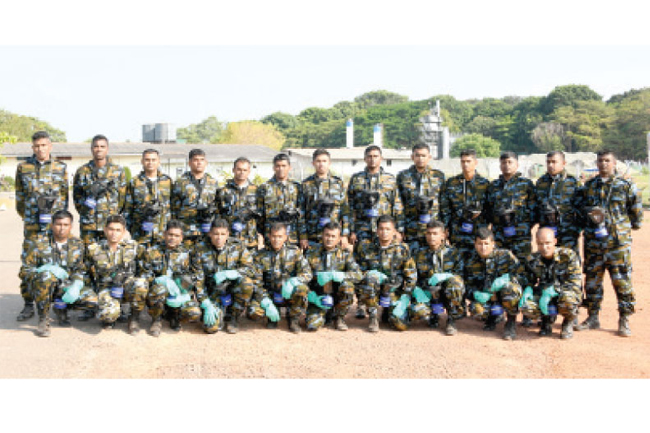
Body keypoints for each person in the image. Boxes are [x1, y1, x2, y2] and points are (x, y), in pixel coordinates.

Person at [575, 150, 643, 337]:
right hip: (594, 244)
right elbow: (580, 211)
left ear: (614, 164)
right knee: (592, 282)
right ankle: (593, 316)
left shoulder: (626, 186)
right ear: (596, 164)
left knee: (622, 282)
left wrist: (621, 227)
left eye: (607, 161)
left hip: (617, 245)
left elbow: (636, 215)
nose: (603, 164)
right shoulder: (588, 187)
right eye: (600, 161)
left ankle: (624, 319)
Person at [15, 131, 69, 321]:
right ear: (32, 148)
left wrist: (60, 223)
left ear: (50, 146)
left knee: (57, 263)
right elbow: (20, 198)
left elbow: (64, 198)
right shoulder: (23, 167)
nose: (40, 149)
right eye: (37, 146)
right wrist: (29, 217)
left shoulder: (60, 167)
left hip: (54, 228)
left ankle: (57, 303)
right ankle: (28, 304)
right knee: (28, 266)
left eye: (44, 145)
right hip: (32, 226)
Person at [19, 210, 97, 337]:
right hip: (43, 286)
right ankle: (43, 319)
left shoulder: (78, 244)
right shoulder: (39, 244)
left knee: (92, 300)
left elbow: (80, 269)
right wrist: (43, 269)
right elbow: (25, 271)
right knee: (46, 276)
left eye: (66, 225)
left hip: (66, 286)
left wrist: (76, 284)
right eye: (58, 224)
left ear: (71, 226)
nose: (62, 228)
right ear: (52, 225)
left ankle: (62, 308)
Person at [347, 145, 404, 319]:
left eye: (376, 156)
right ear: (365, 158)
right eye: (369, 156)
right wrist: (350, 230)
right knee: (362, 267)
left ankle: (387, 302)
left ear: (381, 158)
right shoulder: (356, 179)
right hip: (363, 230)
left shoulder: (390, 179)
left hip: (385, 232)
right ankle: (362, 304)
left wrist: (399, 230)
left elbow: (397, 205)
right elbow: (349, 207)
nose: (372, 159)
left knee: (388, 266)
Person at [192, 218, 256, 334]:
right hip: (213, 292)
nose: (219, 237)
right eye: (216, 234)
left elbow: (251, 269)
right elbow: (198, 280)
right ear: (210, 233)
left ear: (228, 234)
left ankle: (233, 317)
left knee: (246, 283)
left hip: (232, 289)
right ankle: (216, 311)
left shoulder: (238, 246)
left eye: (222, 234)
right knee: (210, 328)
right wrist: (206, 303)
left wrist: (234, 273)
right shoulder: (200, 249)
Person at [137, 220, 201, 336]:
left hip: (179, 294)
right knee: (159, 289)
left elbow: (196, 275)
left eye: (176, 236)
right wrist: (157, 279)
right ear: (164, 234)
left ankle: (175, 317)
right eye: (170, 234)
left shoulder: (187, 254)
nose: (172, 238)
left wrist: (186, 291)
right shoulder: (152, 252)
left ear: (181, 238)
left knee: (194, 312)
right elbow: (143, 274)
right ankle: (156, 320)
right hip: (158, 294)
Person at [354, 216, 417, 332]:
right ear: (377, 231)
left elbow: (411, 276)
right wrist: (368, 273)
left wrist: (405, 297)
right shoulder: (367, 248)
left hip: (393, 291)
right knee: (371, 278)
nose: (384, 232)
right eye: (381, 229)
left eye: (388, 229)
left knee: (401, 325)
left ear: (394, 231)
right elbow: (358, 272)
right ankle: (373, 316)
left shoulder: (402, 249)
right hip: (373, 290)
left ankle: (388, 311)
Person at [85, 215, 147, 330]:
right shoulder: (94, 249)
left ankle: (133, 318)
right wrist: (93, 291)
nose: (114, 233)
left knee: (141, 284)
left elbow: (145, 267)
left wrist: (137, 279)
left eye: (118, 230)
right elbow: (85, 271)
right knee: (108, 315)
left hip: (127, 286)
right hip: (107, 288)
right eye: (111, 229)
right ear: (105, 230)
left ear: (123, 232)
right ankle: (112, 313)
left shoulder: (133, 247)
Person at [249, 222, 312, 333]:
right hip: (269, 294)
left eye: (280, 237)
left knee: (302, 289)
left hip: (288, 294)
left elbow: (307, 273)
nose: (276, 240)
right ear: (269, 236)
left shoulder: (294, 252)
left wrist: (294, 281)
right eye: (273, 236)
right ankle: (272, 316)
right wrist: (266, 302)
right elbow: (255, 282)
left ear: (285, 237)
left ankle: (293, 318)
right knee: (254, 311)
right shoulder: (260, 255)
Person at [519, 228, 582, 339]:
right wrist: (528, 288)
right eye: (540, 244)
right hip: (544, 295)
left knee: (569, 299)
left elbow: (575, 283)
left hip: (564, 292)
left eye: (548, 243)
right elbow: (528, 279)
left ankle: (567, 322)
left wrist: (555, 290)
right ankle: (546, 321)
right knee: (526, 305)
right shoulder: (532, 259)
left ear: (555, 241)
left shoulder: (568, 256)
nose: (544, 247)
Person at [463, 227, 523, 341]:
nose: (483, 247)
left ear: (493, 244)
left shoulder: (505, 256)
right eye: (480, 244)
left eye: (486, 243)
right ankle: (492, 318)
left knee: (511, 289)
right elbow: (466, 285)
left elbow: (522, 276)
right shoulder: (470, 261)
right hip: (487, 297)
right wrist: (474, 293)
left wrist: (507, 278)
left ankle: (511, 322)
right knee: (476, 310)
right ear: (475, 244)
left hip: (505, 295)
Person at [304, 222, 362, 331]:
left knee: (347, 286)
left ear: (339, 238)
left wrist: (340, 275)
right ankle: (324, 313)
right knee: (312, 325)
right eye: (327, 235)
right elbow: (302, 275)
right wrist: (312, 295)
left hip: (337, 296)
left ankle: (339, 317)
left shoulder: (345, 255)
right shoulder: (311, 253)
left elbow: (358, 275)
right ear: (322, 235)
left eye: (333, 236)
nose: (329, 239)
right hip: (318, 296)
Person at [411, 220, 465, 335]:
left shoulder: (453, 253)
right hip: (428, 293)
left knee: (455, 283)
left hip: (447, 293)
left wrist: (447, 276)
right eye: (429, 233)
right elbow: (412, 275)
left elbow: (461, 275)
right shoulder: (419, 253)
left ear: (443, 235)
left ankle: (451, 319)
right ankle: (432, 315)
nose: (431, 237)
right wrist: (416, 289)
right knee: (418, 311)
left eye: (435, 234)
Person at [73, 134, 127, 246]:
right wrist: (87, 212)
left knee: (109, 257)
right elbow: (77, 198)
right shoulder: (82, 171)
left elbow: (122, 199)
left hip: (110, 224)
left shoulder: (117, 171)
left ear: (107, 149)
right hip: (89, 224)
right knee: (88, 256)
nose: (99, 149)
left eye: (102, 146)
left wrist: (112, 213)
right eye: (96, 146)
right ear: (91, 149)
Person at [484, 151, 536, 265]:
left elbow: (534, 209)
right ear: (500, 165)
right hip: (499, 233)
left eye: (510, 162)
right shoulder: (493, 186)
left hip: (521, 234)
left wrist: (523, 225)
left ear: (517, 165)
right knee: (499, 263)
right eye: (503, 163)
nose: (506, 165)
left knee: (523, 265)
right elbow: (488, 209)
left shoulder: (526, 184)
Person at [440, 149, 490, 259]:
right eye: (463, 161)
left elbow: (489, 208)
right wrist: (445, 228)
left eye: (468, 161)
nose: (465, 164)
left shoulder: (484, 184)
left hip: (477, 233)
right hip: (457, 232)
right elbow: (445, 208)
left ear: (475, 162)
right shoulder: (451, 183)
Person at [396, 143, 445, 252]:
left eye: (423, 155)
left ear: (429, 157)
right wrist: (399, 228)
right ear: (412, 157)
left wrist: (444, 228)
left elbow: (444, 204)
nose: (420, 159)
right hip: (411, 229)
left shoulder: (438, 176)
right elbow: (398, 203)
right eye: (417, 155)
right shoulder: (403, 176)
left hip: (433, 230)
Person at [300, 149, 351, 250]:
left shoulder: (338, 184)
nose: (321, 164)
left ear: (329, 163)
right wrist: (303, 236)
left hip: (333, 236)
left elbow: (345, 210)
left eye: (324, 161)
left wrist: (344, 235)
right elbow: (301, 212)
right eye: (318, 161)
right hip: (313, 236)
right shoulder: (306, 184)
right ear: (313, 163)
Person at [535, 151, 582, 254]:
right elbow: (536, 207)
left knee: (569, 263)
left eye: (554, 162)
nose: (551, 165)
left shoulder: (572, 182)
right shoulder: (541, 183)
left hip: (567, 233)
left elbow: (581, 208)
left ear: (563, 163)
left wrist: (576, 229)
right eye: (548, 162)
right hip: (546, 235)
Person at [124, 149, 173, 247]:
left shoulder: (167, 181)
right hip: (140, 234)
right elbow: (128, 209)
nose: (150, 163)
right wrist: (126, 230)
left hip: (162, 233)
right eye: (147, 160)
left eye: (153, 160)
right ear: (142, 161)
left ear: (159, 161)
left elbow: (174, 206)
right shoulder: (135, 182)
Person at [171, 149, 219, 246]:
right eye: (196, 160)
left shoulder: (213, 183)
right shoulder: (180, 183)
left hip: (206, 229)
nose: (199, 163)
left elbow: (217, 206)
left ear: (206, 163)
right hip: (186, 230)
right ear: (189, 163)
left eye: (202, 160)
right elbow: (173, 208)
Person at [215, 157, 263, 250]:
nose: (242, 172)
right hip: (229, 240)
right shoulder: (223, 191)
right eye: (239, 169)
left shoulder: (257, 191)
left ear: (249, 171)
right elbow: (218, 215)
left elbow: (261, 215)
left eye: (245, 170)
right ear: (233, 170)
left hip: (250, 240)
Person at [256, 153, 304, 246]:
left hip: (291, 236)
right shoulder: (264, 188)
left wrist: (303, 236)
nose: (281, 169)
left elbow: (301, 214)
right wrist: (260, 235)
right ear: (273, 168)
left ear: (289, 167)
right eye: (278, 166)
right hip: (271, 236)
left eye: (283, 166)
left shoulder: (297, 187)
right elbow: (260, 215)